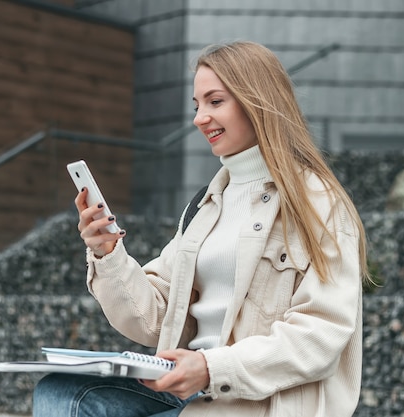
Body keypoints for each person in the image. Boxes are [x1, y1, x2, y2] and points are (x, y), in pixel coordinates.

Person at [33, 41, 370, 417]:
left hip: (255, 402)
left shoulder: (317, 202)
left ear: (257, 100)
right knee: (62, 394)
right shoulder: (207, 204)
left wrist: (211, 368)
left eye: (215, 101)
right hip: (193, 394)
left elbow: (321, 334)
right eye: (197, 106)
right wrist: (108, 253)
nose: (199, 118)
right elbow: (154, 317)